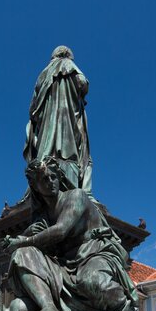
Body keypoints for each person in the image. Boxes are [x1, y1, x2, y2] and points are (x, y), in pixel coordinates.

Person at [0, 158, 147, 311]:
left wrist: (23, 241)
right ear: (35, 185)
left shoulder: (76, 196)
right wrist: (16, 240)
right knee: (21, 267)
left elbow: (61, 230)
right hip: (63, 265)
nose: (51, 182)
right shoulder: (43, 216)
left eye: (53, 177)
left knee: (91, 282)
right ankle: (49, 308)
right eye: (44, 180)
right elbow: (31, 241)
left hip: (93, 254)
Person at [23, 46, 93, 198]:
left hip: (46, 124)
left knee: (45, 147)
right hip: (67, 118)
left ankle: (44, 170)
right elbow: (83, 84)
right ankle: (67, 175)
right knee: (69, 148)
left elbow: (33, 108)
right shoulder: (68, 64)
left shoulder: (43, 73)